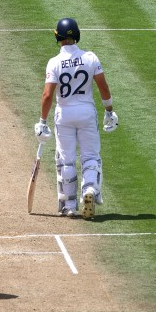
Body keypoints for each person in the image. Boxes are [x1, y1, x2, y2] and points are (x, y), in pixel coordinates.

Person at [34, 18, 119, 219]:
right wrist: (109, 111)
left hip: (64, 114)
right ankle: (89, 190)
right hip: (87, 113)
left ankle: (69, 205)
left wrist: (42, 121)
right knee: (91, 156)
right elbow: (103, 87)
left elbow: (47, 95)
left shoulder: (54, 62)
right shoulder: (90, 58)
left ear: (59, 38)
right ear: (76, 35)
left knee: (66, 160)